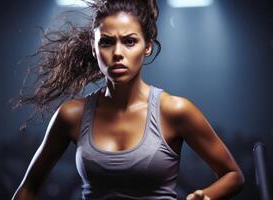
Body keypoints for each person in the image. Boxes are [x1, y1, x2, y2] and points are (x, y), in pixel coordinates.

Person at [12, 0, 244, 199]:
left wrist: (205, 197)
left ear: (148, 47)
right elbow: (28, 189)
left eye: (130, 41)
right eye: (106, 42)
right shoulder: (72, 115)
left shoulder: (175, 111)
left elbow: (233, 175)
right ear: (94, 49)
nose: (117, 53)